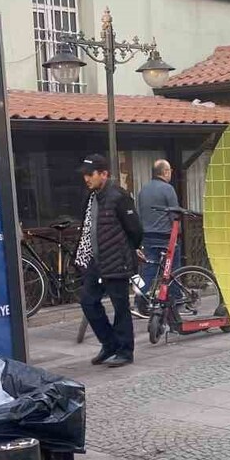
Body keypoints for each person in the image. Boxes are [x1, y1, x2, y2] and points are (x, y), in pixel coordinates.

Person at [76, 154, 142, 367]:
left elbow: (135, 229)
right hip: (97, 260)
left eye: (90, 174)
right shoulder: (92, 197)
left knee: (120, 306)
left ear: (104, 174)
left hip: (117, 260)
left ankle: (125, 351)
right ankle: (109, 343)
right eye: (85, 175)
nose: (87, 179)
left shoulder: (119, 196)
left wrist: (127, 250)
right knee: (88, 301)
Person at [136, 160, 181, 295]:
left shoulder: (143, 190)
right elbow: (175, 215)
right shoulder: (168, 189)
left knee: (148, 270)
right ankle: (175, 299)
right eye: (170, 171)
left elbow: (140, 214)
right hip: (166, 237)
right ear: (165, 172)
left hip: (147, 236)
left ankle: (140, 300)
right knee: (172, 270)